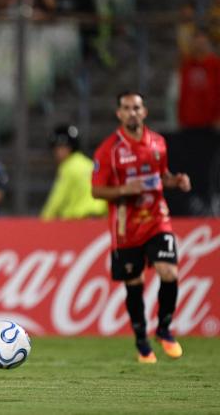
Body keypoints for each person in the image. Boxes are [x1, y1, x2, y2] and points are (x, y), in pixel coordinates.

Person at [92, 91, 191, 363]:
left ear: (144, 112)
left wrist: (176, 181)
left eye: (136, 107)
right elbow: (97, 191)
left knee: (168, 270)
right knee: (133, 284)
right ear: (119, 114)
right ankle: (141, 340)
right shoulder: (109, 150)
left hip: (157, 218)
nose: (132, 112)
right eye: (126, 108)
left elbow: (161, 177)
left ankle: (164, 328)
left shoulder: (158, 143)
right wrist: (125, 188)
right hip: (126, 227)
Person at [40, 124, 107, 220]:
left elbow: (57, 199)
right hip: (101, 220)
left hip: (80, 222)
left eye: (60, 148)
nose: (57, 153)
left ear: (70, 147)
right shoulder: (90, 164)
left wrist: (43, 221)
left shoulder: (68, 167)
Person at [177, 29, 220, 131]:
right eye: (196, 43)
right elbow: (183, 92)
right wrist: (181, 117)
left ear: (208, 45)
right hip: (189, 121)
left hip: (210, 121)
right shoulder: (187, 66)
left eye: (202, 43)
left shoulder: (215, 65)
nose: (199, 46)